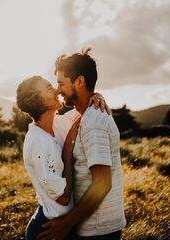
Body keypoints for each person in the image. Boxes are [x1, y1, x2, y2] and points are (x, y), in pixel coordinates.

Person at [38, 48, 126, 240]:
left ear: (80, 81)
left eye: (61, 83)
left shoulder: (93, 122)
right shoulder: (81, 116)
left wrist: (67, 223)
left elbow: (102, 184)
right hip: (89, 225)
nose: (58, 90)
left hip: (99, 230)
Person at [16, 75, 109, 239]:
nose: (57, 90)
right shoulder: (37, 142)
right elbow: (63, 197)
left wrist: (96, 96)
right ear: (37, 101)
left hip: (65, 226)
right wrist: (67, 152)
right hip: (47, 230)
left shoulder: (57, 123)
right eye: (49, 88)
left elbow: (85, 109)